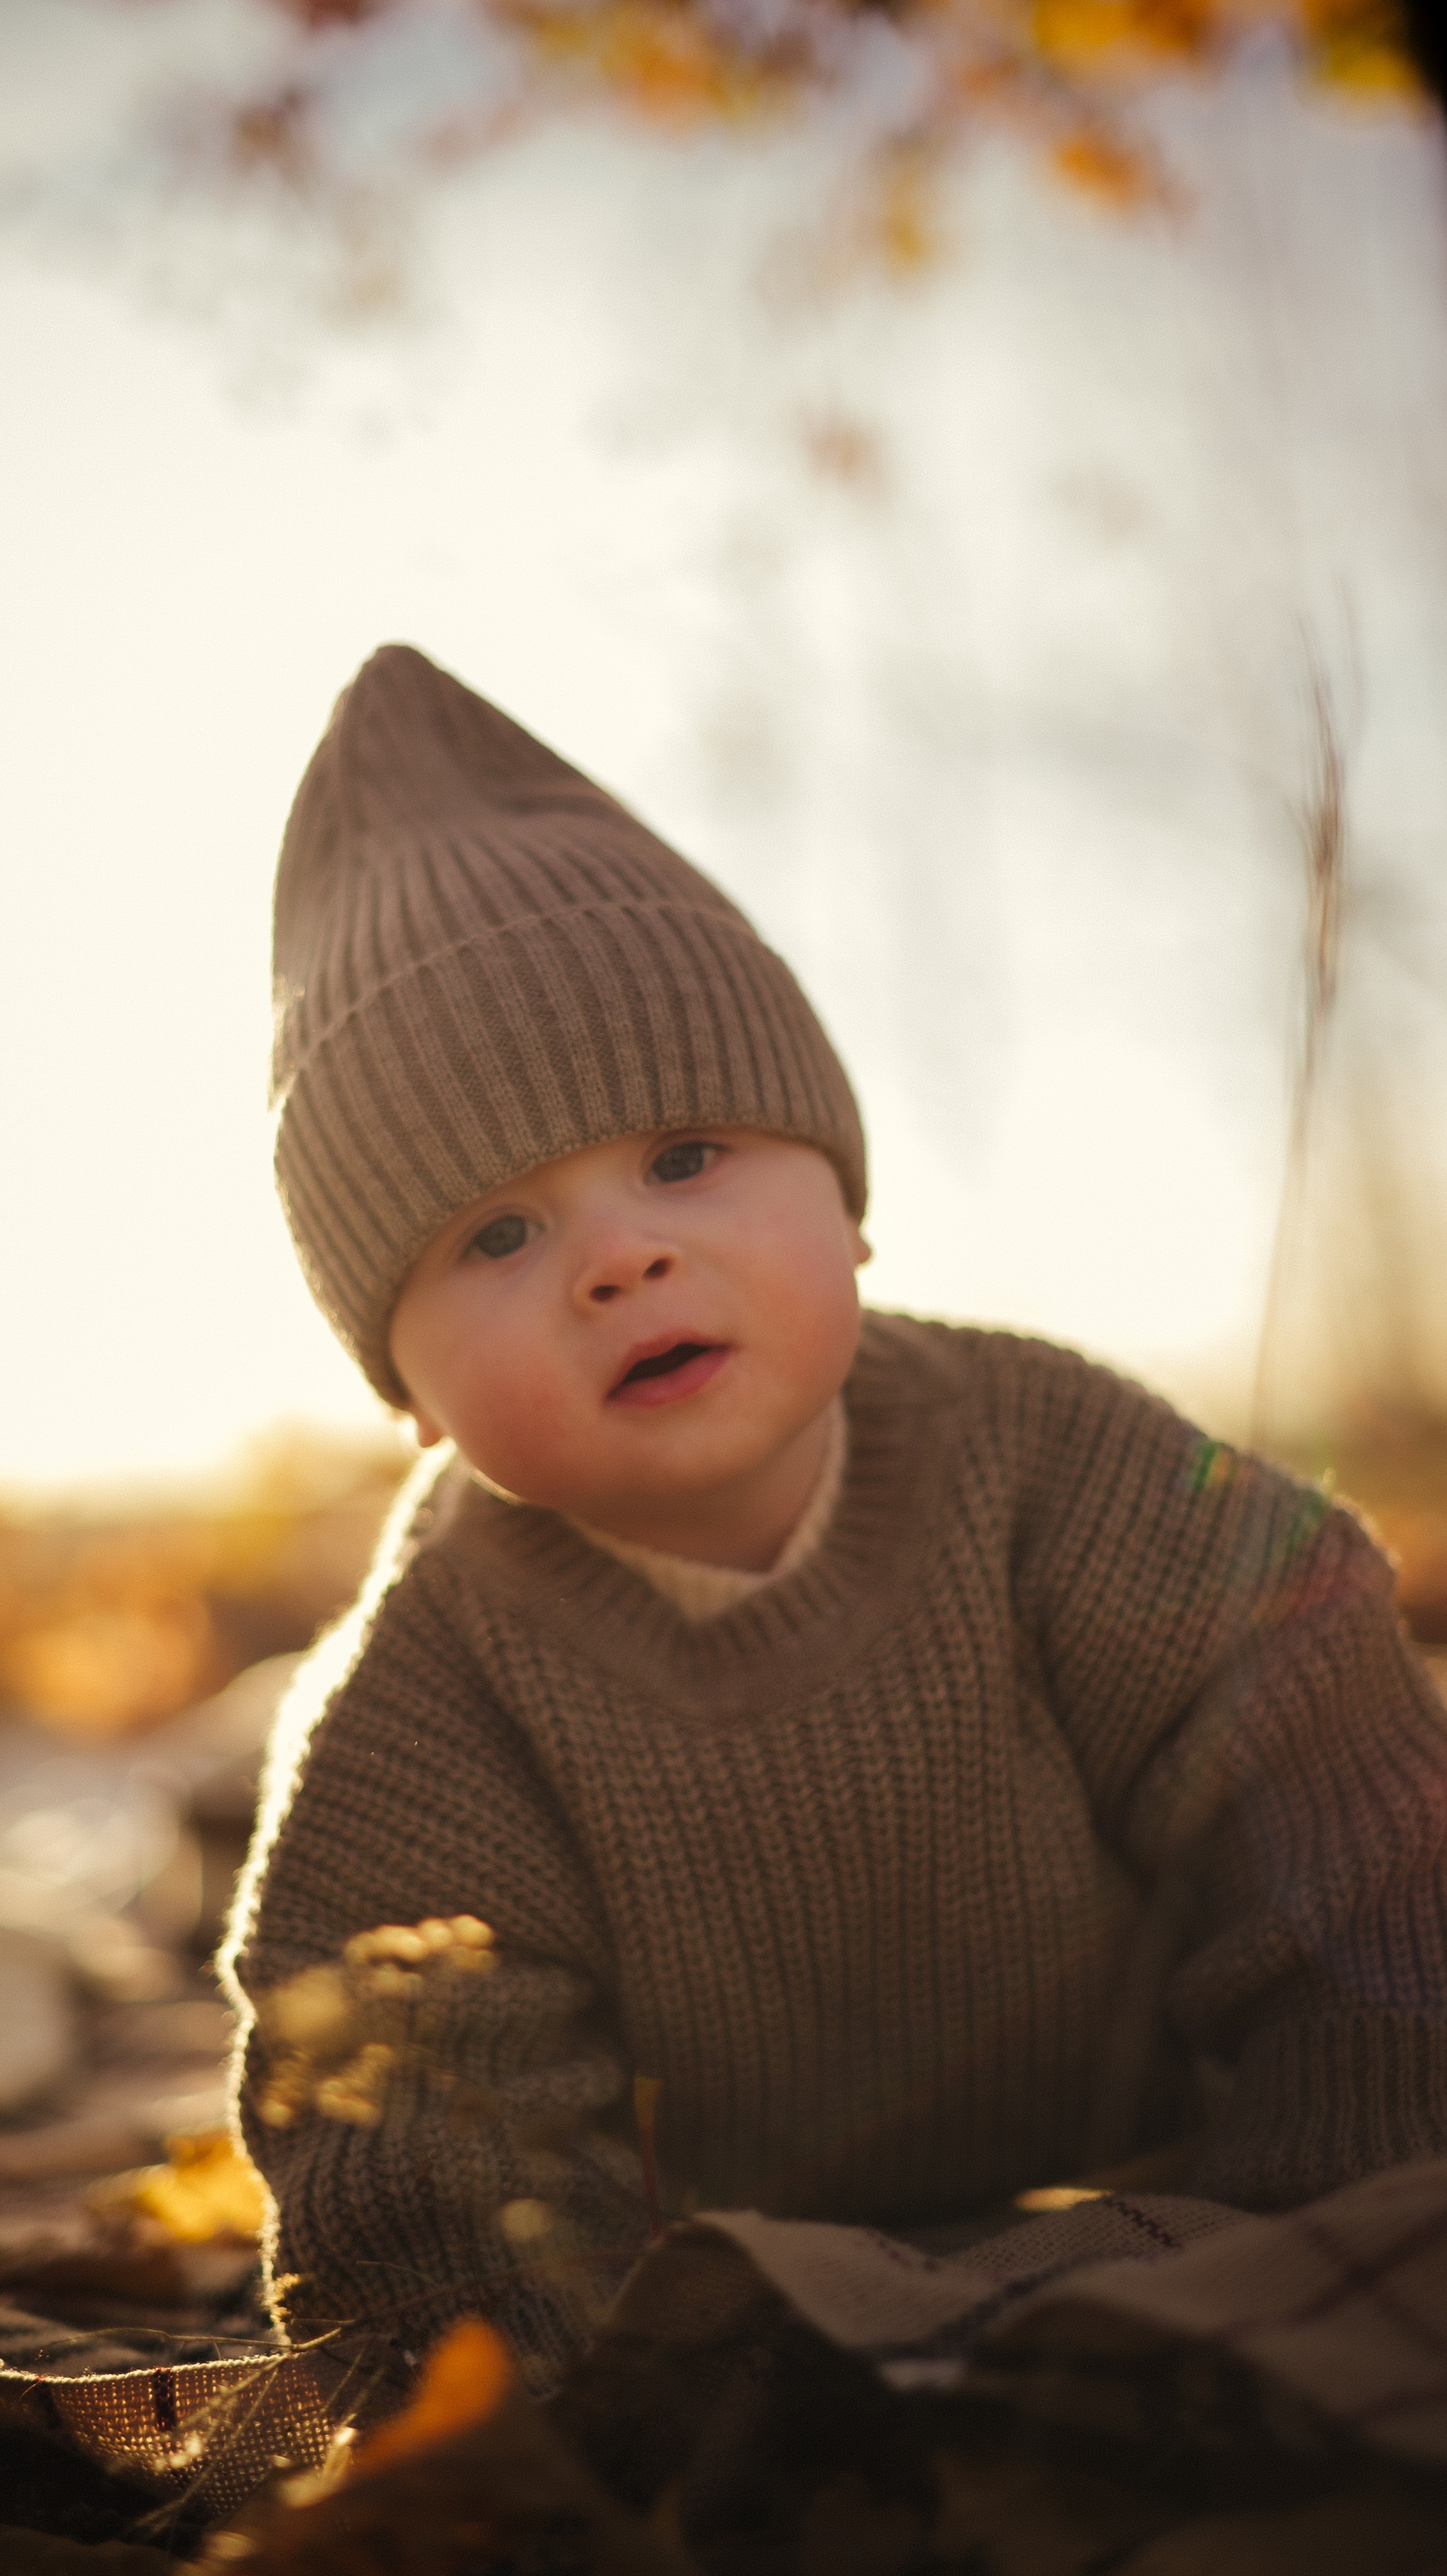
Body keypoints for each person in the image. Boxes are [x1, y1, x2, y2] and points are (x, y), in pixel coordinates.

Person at [222, 643, 1447, 2409]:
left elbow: (1336, 1792)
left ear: (850, 1204)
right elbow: (405, 2113)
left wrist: (1362, 2203)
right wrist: (554, 2409)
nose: (619, 1254)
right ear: (403, 1391)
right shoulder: (430, 1703)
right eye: (494, 1236)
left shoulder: (1054, 1467)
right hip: (728, 2278)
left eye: (687, 1152)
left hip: (1199, 2160)